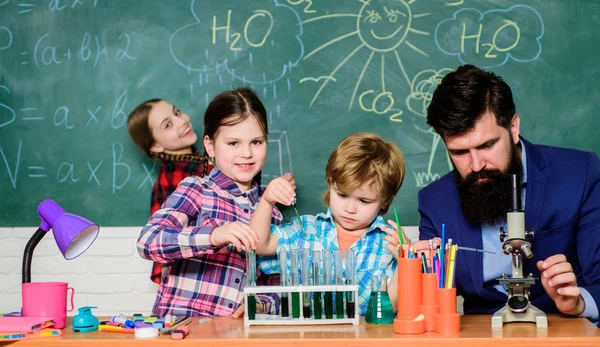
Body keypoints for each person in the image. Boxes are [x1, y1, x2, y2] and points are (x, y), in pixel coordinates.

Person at [415, 64, 600, 321]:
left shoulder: (580, 174)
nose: (477, 165)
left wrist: (578, 304)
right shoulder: (434, 201)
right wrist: (417, 271)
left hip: (561, 327)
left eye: (487, 145)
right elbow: (429, 303)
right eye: (459, 152)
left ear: (513, 127)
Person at [136, 88, 286, 317]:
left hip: (234, 335)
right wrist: (214, 235)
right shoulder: (196, 190)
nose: (246, 153)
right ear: (210, 146)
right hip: (183, 331)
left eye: (256, 142)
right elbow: (148, 241)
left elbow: (276, 280)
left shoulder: (270, 211)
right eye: (233, 143)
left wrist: (262, 304)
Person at [250, 132, 409, 315]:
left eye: (364, 201)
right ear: (330, 184)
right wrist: (267, 201)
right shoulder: (307, 231)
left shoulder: (388, 243)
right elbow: (259, 244)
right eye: (342, 194)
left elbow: (391, 306)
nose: (350, 208)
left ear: (384, 202)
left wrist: (406, 261)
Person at [128, 99, 213, 285]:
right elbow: (160, 239)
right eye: (168, 124)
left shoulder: (200, 163)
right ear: (156, 146)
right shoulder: (177, 178)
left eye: (178, 112)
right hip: (194, 279)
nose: (181, 121)